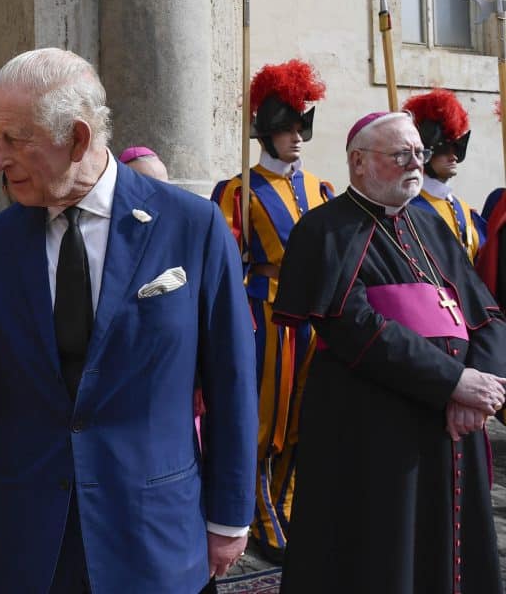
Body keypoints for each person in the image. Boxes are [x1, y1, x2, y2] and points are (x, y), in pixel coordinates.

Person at [0, 47, 258, 593]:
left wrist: (230, 515)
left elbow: (231, 380)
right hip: (33, 535)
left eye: (14, 139)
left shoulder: (191, 227)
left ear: (77, 138)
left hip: (152, 531)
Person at [275, 111, 506, 593]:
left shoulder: (433, 226)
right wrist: (453, 382)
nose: (415, 164)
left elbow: (486, 315)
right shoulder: (325, 230)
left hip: (453, 424)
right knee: (384, 556)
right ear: (358, 162)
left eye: (419, 153)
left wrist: (478, 388)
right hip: (373, 426)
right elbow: (353, 324)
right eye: (401, 154)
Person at [210, 58, 333, 563]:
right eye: (286, 128)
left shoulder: (323, 189)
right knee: (267, 422)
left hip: (315, 321)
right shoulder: (238, 191)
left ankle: (287, 505)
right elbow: (226, 267)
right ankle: (258, 513)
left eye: (302, 126)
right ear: (266, 132)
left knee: (305, 419)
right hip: (265, 318)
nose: (297, 137)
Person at [402, 89, 486, 261]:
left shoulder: (463, 208)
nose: (453, 156)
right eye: (445, 150)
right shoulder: (406, 208)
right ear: (424, 154)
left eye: (456, 149)